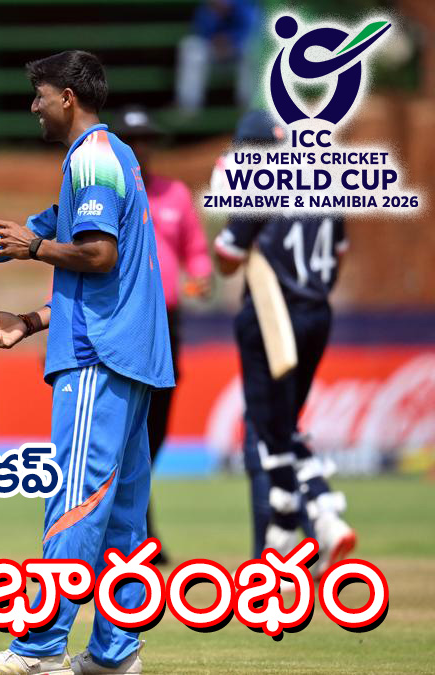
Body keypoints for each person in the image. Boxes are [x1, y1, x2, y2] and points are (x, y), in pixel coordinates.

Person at [0, 50, 173, 675]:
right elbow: (46, 249)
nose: (33, 106)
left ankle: (38, 649)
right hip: (131, 354)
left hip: (98, 358)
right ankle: (114, 653)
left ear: (67, 98)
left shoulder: (91, 160)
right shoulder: (117, 160)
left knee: (75, 501)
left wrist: (35, 249)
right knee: (124, 520)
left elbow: (97, 255)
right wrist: (26, 319)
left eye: (39, 94)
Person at [212, 109, 355, 572]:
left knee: (271, 426)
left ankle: (323, 511)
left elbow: (228, 256)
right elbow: (339, 252)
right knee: (282, 423)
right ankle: (285, 538)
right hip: (318, 312)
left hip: (273, 312)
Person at [111, 106, 213, 565]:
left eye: (146, 138)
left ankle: (136, 525)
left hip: (168, 322)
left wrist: (202, 274)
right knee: (127, 425)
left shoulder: (173, 194)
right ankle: (137, 532)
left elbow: (195, 249)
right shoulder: (110, 191)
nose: (142, 147)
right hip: (126, 318)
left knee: (157, 426)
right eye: (133, 139)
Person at [175, 0, 259, 115]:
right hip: (213, 58)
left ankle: (248, 109)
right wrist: (214, 18)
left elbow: (254, 35)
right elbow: (200, 33)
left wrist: (231, 42)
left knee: (252, 50)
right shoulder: (206, 9)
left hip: (238, 57)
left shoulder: (245, 7)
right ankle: (187, 109)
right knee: (191, 46)